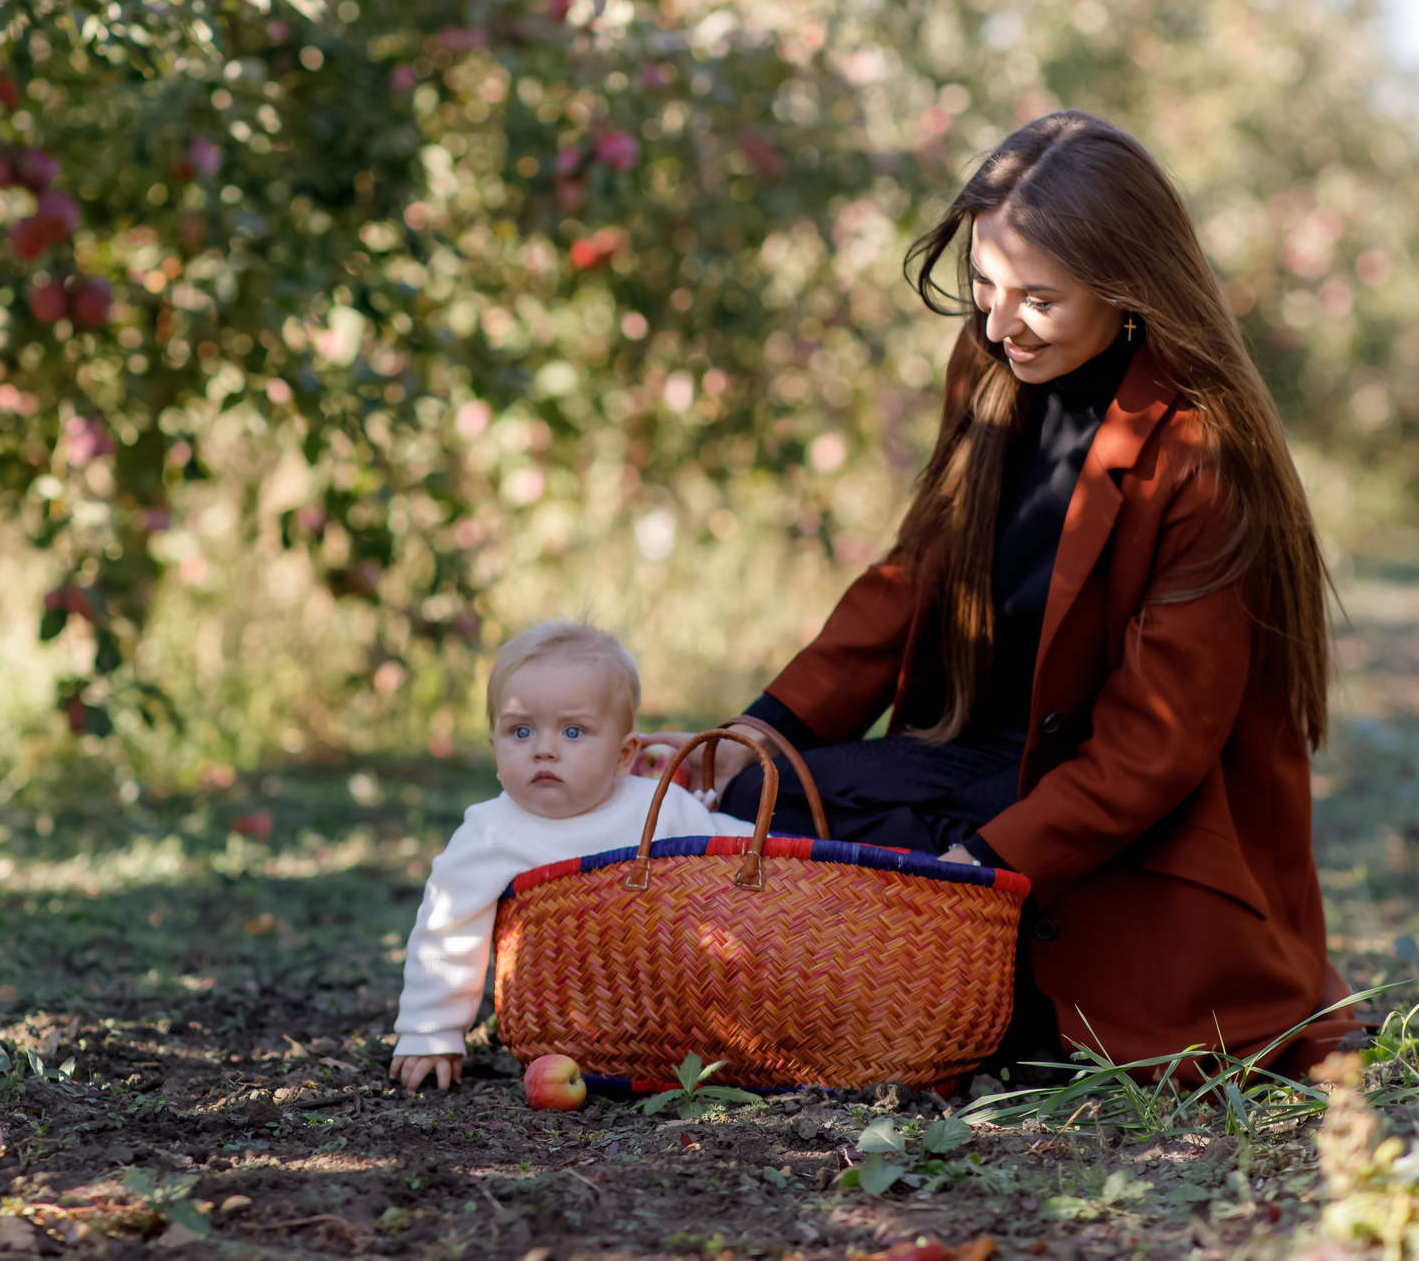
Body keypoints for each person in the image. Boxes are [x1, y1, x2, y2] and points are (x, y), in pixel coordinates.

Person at [643, 111, 1354, 1076]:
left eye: (1039, 299)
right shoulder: (986, 368)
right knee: (754, 807)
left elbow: (1155, 748)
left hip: (1125, 813)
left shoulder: (1201, 456)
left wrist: (982, 869)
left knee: (916, 901)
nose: (996, 321)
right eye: (983, 284)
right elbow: (913, 572)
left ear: (1126, 286)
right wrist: (763, 729)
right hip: (979, 754)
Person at [388, 619, 743, 1093]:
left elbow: (733, 865)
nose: (545, 750)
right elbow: (448, 923)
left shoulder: (659, 807)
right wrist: (430, 1030)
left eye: (573, 731)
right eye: (520, 732)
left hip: (671, 1004)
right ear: (494, 747)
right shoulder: (490, 832)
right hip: (563, 1018)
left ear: (623, 755)